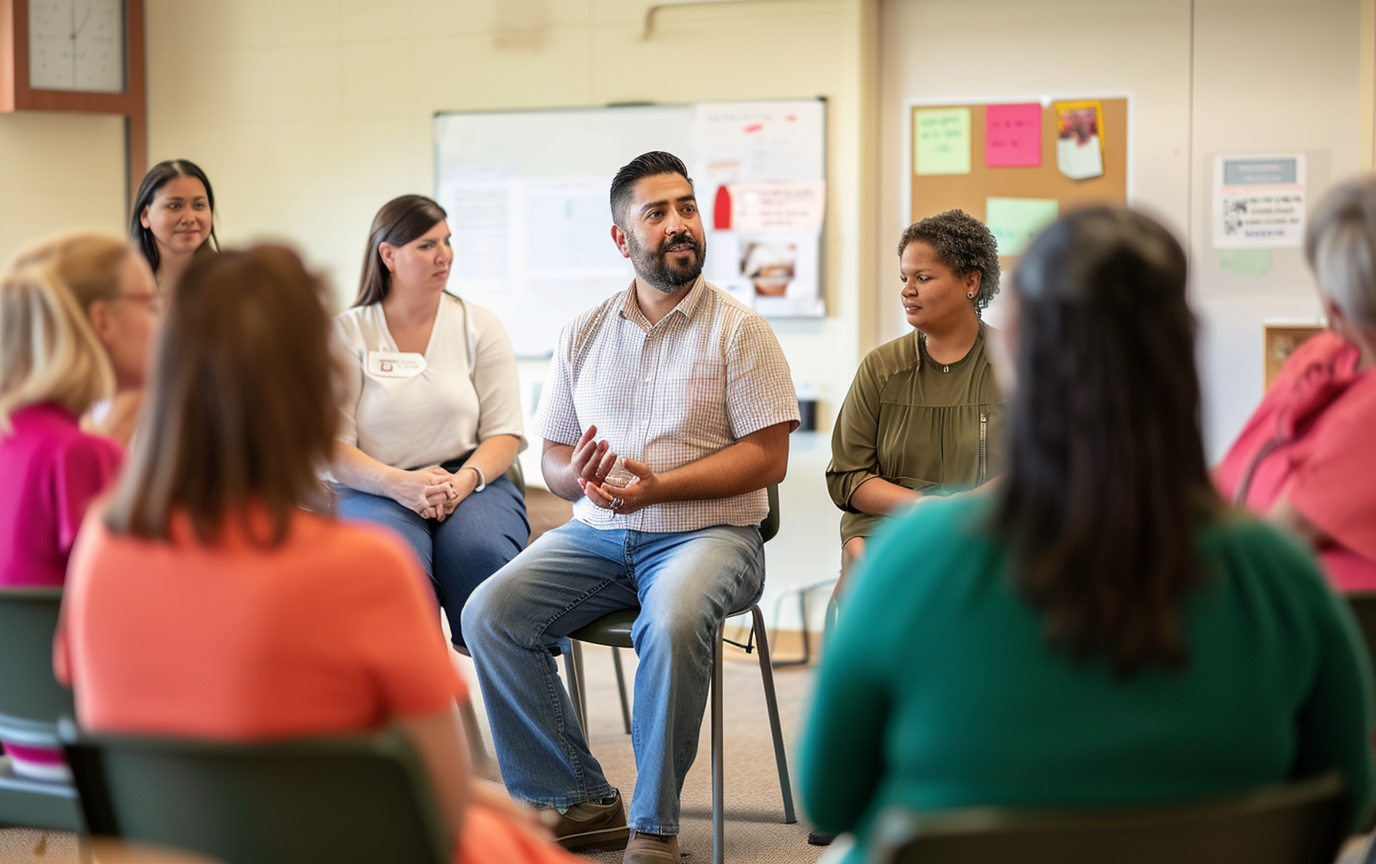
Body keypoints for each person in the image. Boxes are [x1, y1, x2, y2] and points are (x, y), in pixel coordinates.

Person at [799, 207, 1376, 864]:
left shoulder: (912, 565)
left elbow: (832, 798)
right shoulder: (1277, 572)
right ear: (1183, 353)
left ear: (1013, 345)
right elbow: (1351, 798)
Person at [55, 245, 579, 864]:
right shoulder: (363, 569)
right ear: (316, 380)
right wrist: (501, 810)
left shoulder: (102, 545)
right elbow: (435, 811)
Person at [462, 151, 799, 864]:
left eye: (686, 207)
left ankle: (654, 826)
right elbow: (552, 456)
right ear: (622, 240)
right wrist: (576, 479)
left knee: (673, 619)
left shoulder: (742, 330)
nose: (679, 226)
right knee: (489, 614)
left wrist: (663, 488)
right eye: (657, 214)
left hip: (710, 536)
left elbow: (769, 459)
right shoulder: (582, 332)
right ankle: (577, 800)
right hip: (600, 536)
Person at [330, 194, 527, 650]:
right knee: (394, 564)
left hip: (468, 479)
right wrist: (399, 484)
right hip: (374, 485)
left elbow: (504, 433)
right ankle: (418, 700)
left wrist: (463, 482)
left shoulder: (479, 325)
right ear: (388, 256)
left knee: (479, 553)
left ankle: (506, 682)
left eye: (447, 241)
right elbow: (331, 448)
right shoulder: (346, 334)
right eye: (426, 245)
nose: (444, 255)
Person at [0, 233, 159, 779]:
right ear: (103, 321)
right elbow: (147, 623)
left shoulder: (16, 441)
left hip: (19, 736)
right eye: (151, 304)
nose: (161, 324)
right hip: (91, 747)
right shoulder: (81, 456)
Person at [825, 210, 1005, 590]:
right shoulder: (881, 368)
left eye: (922, 278)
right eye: (904, 278)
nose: (907, 290)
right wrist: (925, 509)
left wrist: (959, 510)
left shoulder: (1015, 364)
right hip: (888, 530)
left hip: (988, 529)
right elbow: (848, 476)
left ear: (971, 282)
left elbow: (1041, 469)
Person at [1215, 176, 1376, 590]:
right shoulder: (1324, 354)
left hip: (1322, 627)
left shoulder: (1367, 421)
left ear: (1333, 303)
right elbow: (1236, 465)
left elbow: (1274, 544)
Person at [129, 159, 218, 292]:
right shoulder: (123, 285)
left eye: (199, 205)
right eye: (174, 206)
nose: (189, 218)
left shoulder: (229, 282)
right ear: (145, 216)